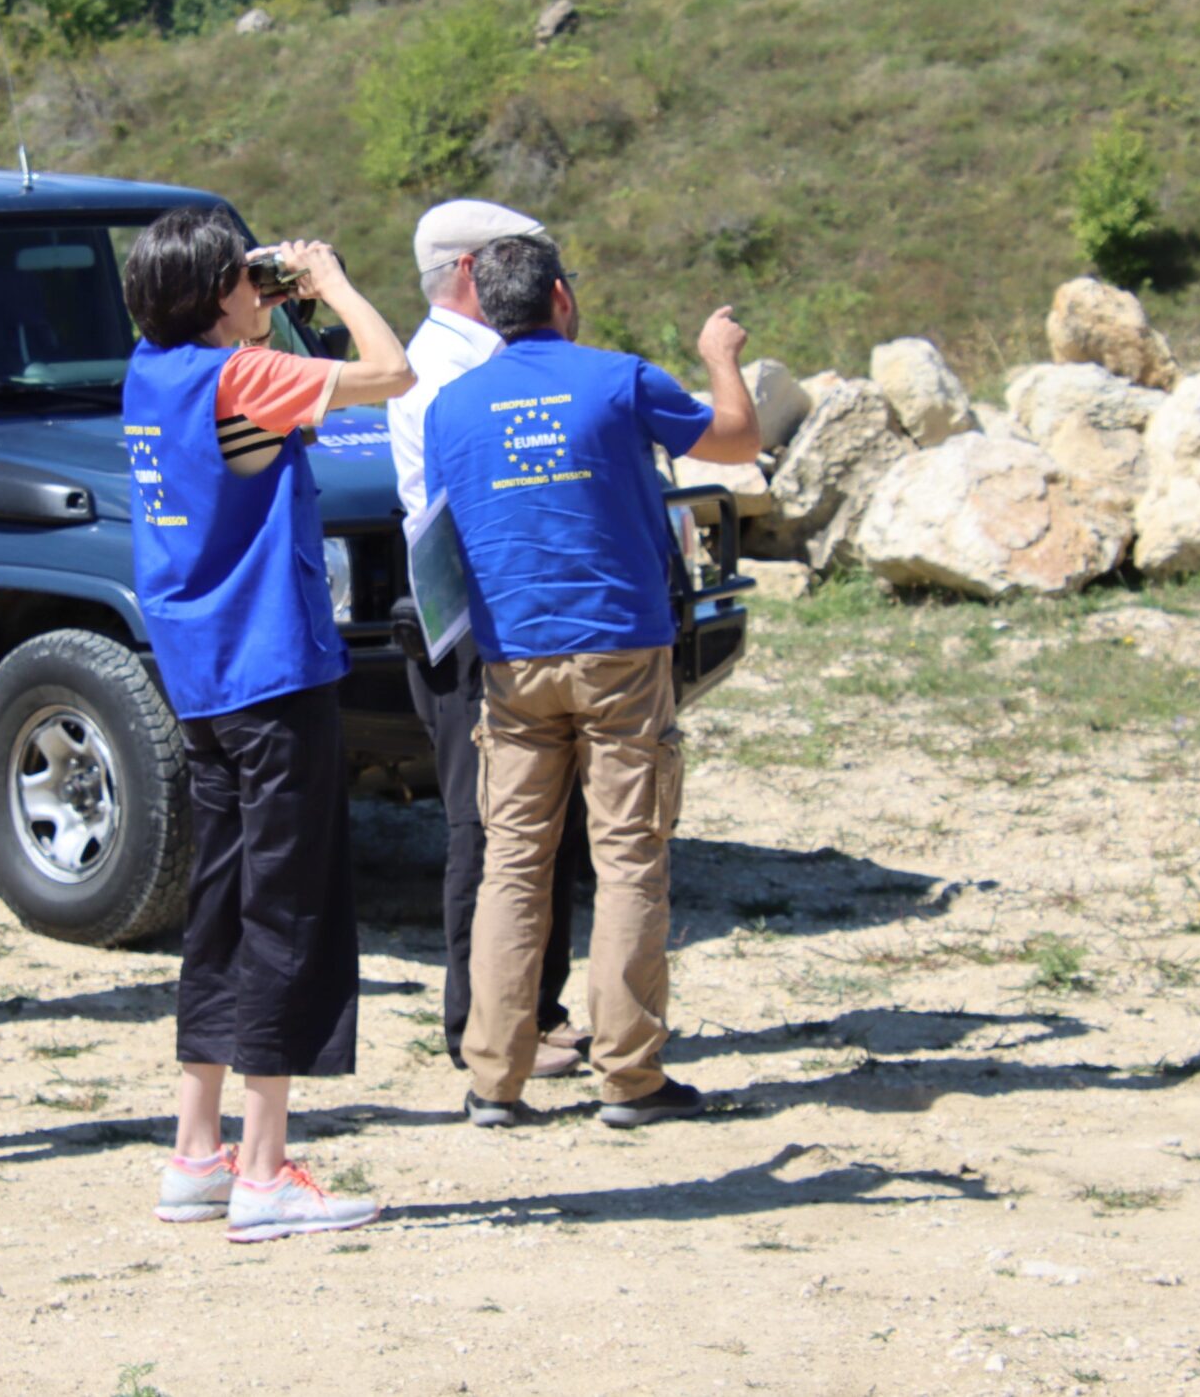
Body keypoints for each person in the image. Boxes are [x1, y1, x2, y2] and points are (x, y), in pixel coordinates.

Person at [120, 208, 412, 1242]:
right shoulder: (243, 379)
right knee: (289, 913)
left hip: (201, 677)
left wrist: (262, 298)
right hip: (272, 673)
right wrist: (327, 282)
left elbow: (254, 385)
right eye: (241, 283)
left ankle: (195, 1152)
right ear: (213, 298)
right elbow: (391, 373)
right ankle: (263, 1168)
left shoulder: (151, 375)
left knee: (220, 908)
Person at [423, 233, 759, 1128]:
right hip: (619, 651)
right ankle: (630, 1076)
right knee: (628, 860)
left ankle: (493, 1077)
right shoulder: (618, 378)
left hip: (511, 661)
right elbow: (737, 439)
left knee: (513, 867)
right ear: (562, 297)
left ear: (488, 310)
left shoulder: (450, 407)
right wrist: (721, 359)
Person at [385, 200, 589, 1081]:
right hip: (471, 620)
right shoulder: (438, 369)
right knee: (485, 823)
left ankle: (536, 1008)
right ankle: (482, 1021)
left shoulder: (481, 359)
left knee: (549, 821)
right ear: (471, 271)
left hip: (520, 615)